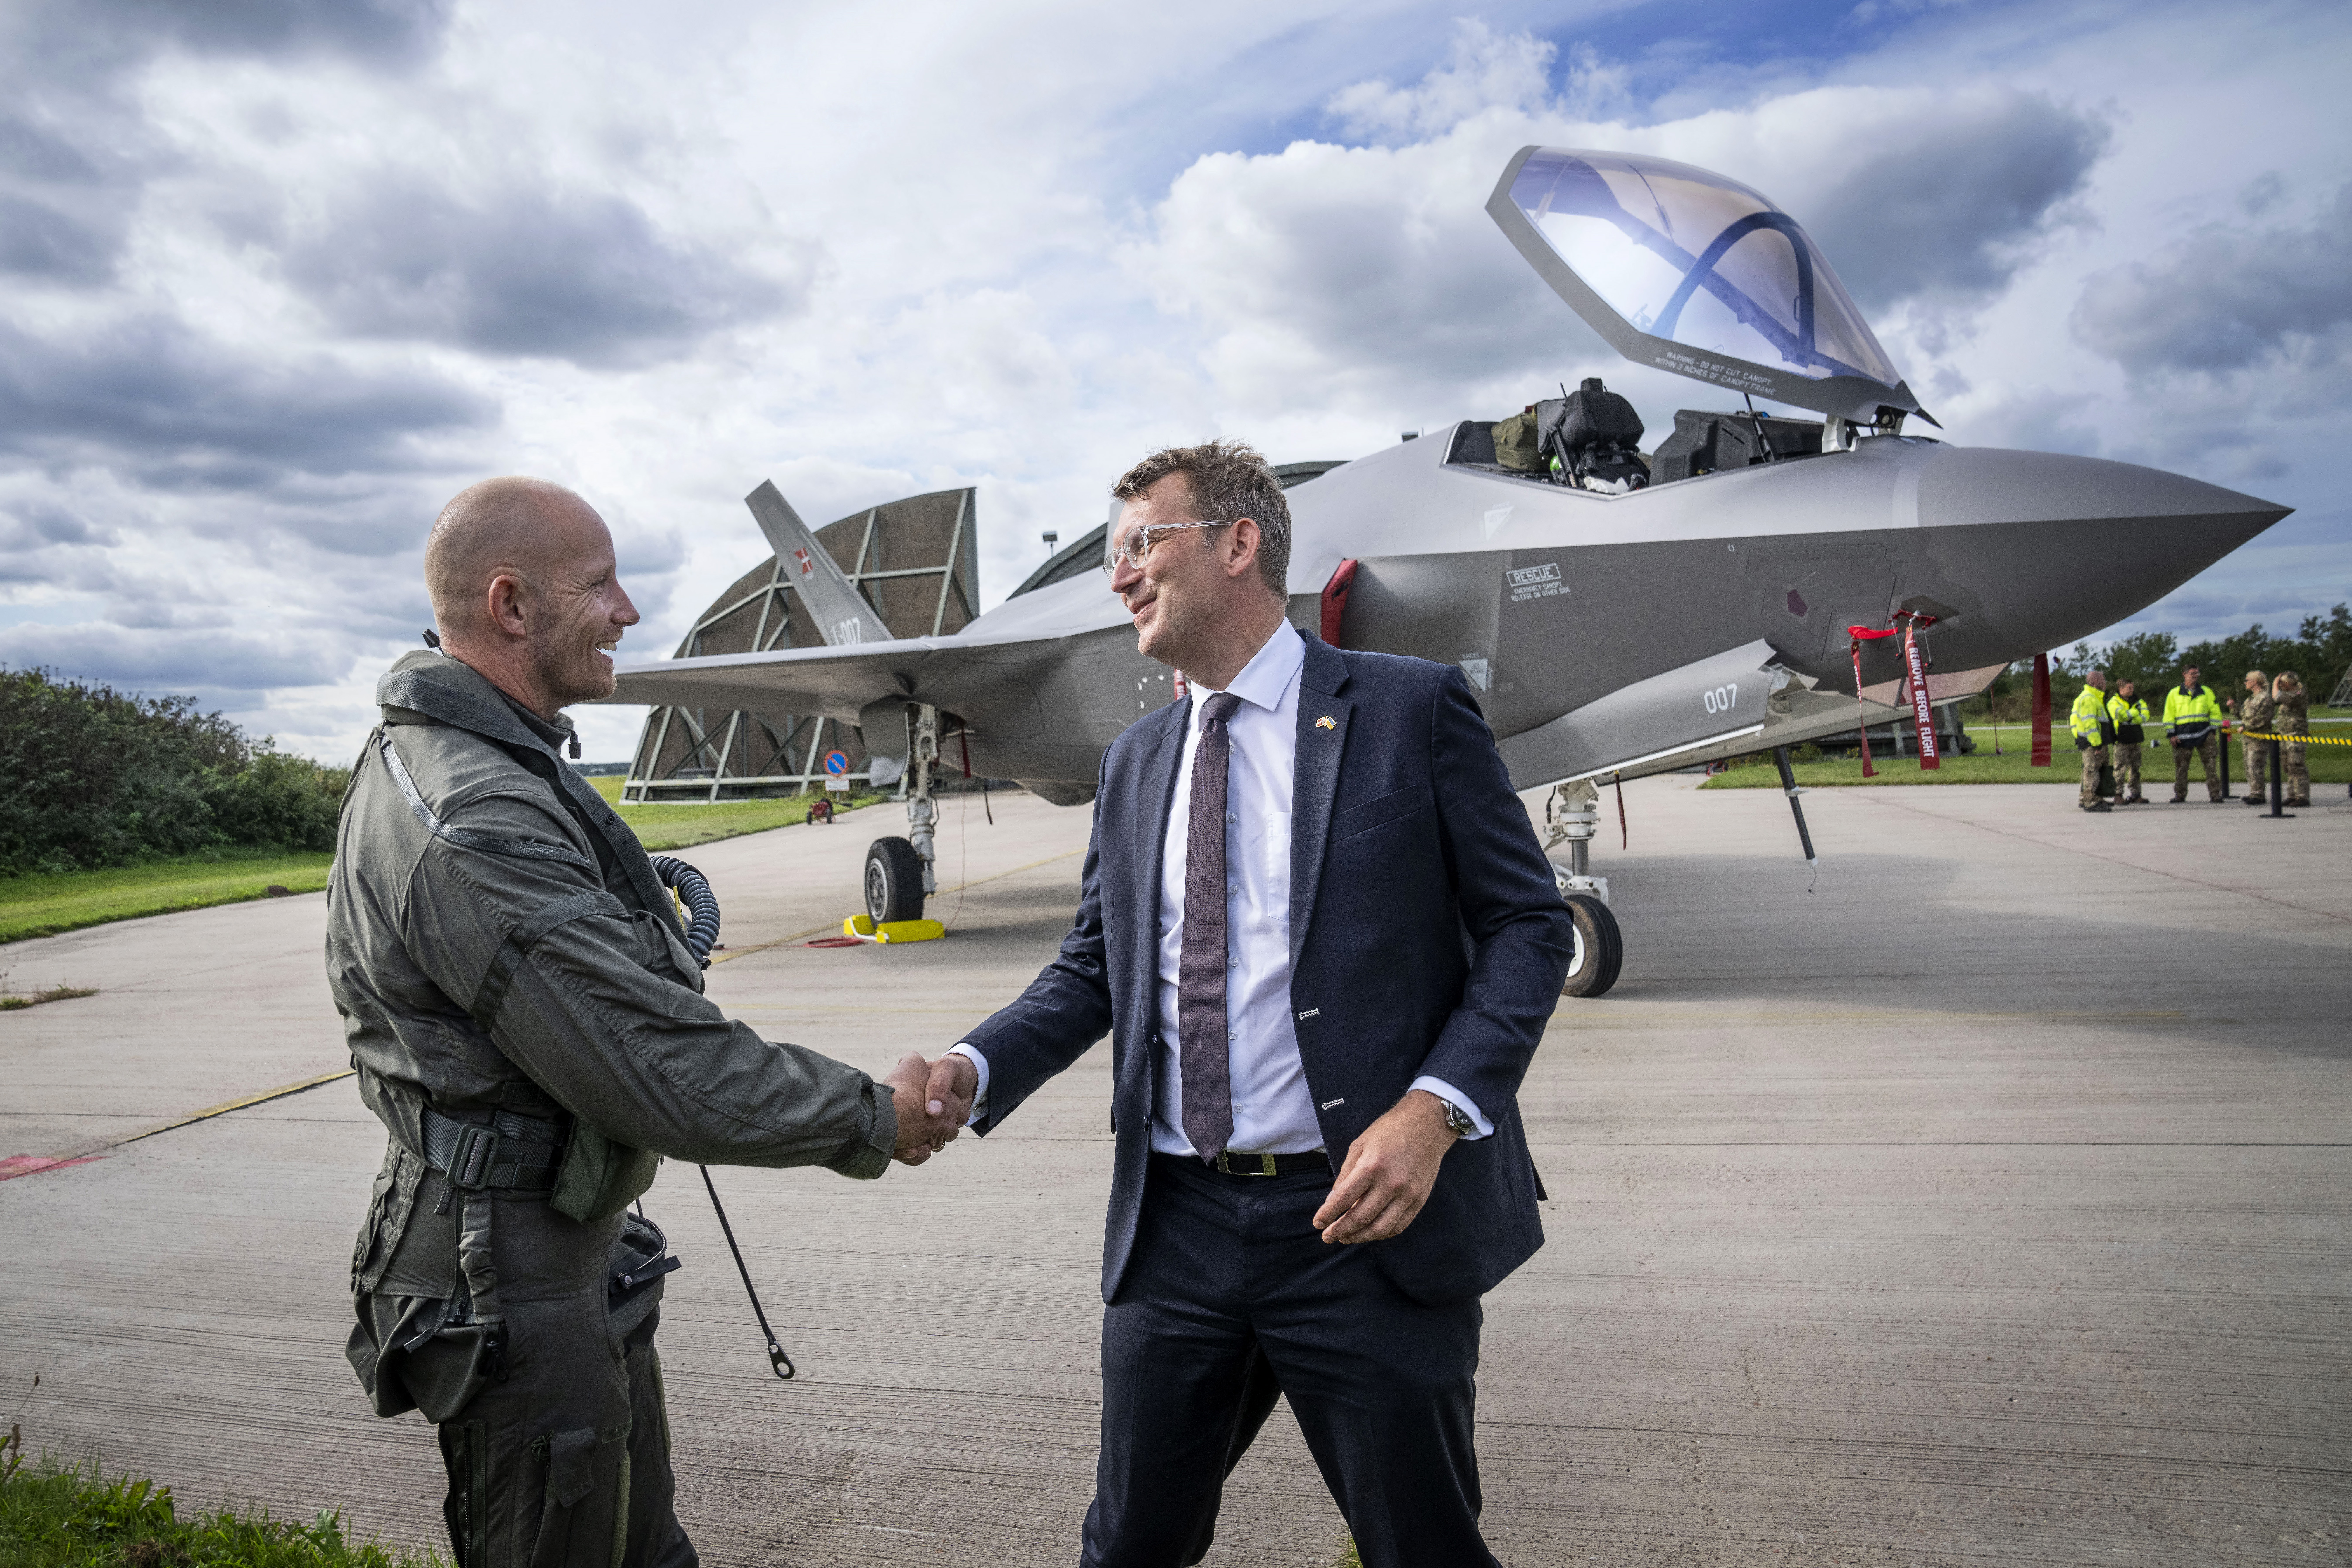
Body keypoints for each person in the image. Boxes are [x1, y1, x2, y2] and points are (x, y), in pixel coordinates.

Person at [915, 441, 1573, 1567]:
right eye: (1113, 552)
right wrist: (969, 1072)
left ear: (1238, 543)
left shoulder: (1407, 709)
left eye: (1140, 543)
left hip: (1363, 1220)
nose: (1118, 574)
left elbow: (1528, 925)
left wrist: (1434, 1111)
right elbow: (1093, 969)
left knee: (1419, 1545)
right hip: (1178, 1223)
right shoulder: (1137, 760)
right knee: (1130, 1543)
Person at [326, 478, 959, 1568]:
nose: (626, 609)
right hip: (510, 1264)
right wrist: (875, 1114)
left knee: (642, 1547)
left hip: (551, 1232)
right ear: (511, 605)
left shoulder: (482, 761)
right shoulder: (475, 810)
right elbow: (653, 1064)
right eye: (600, 584)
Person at [2163, 663, 2226, 802]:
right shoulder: (2174, 694)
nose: (2195, 676)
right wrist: (2171, 735)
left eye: (2197, 673)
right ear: (2184, 675)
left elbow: (2216, 712)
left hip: (2205, 734)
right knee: (2181, 768)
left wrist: (2212, 730)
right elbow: (2169, 716)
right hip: (2182, 736)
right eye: (2192, 674)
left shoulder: (2207, 692)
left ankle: (2215, 794)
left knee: (2211, 766)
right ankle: (2180, 795)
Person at [2070, 668, 2113, 813]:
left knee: (2096, 771)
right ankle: (2090, 801)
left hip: (2095, 742)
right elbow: (2090, 724)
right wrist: (2096, 744)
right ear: (2095, 682)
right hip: (2092, 743)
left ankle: (2092, 798)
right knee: (2092, 771)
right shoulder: (2089, 698)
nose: (2105, 683)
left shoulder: (2095, 697)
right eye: (2103, 680)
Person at [2108, 678, 2151, 804]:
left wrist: (2130, 717)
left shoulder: (2139, 701)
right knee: (2120, 769)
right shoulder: (2114, 702)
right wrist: (2135, 713)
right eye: (2129, 688)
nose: (2132, 691)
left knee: (2136, 768)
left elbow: (2145, 716)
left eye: (2133, 688)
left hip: (2136, 739)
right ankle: (2118, 795)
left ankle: (2136, 794)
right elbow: (2120, 716)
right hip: (2121, 740)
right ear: (2121, 689)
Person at [2274, 670, 2311, 806]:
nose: (2280, 685)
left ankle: (2302, 797)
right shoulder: (2289, 694)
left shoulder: (2298, 694)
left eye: (2282, 683)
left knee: (2297, 765)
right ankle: (2293, 795)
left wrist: (2274, 684)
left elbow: (2276, 697)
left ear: (2288, 684)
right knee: (2288, 766)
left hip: (2296, 735)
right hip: (2285, 735)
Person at [2237, 669, 2274, 804]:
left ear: (2255, 682)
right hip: (2249, 739)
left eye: (2247, 680)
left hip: (2259, 739)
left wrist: (2245, 726)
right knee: (2249, 768)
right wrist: (2233, 708)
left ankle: (2258, 795)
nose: (2245, 683)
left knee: (2255, 767)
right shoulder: (2250, 699)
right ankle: (2254, 792)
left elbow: (2262, 719)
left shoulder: (2265, 698)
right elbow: (2244, 716)